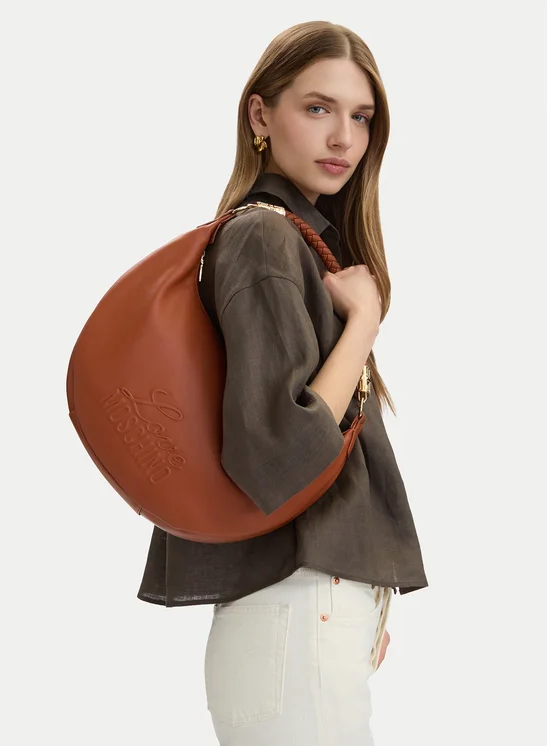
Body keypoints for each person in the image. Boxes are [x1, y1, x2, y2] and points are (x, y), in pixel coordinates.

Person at [137, 19, 428, 745]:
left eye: (361, 117)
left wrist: (363, 604)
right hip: (300, 613)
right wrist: (364, 323)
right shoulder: (265, 237)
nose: (344, 138)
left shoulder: (303, 244)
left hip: (306, 617)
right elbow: (278, 452)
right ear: (260, 115)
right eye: (317, 107)